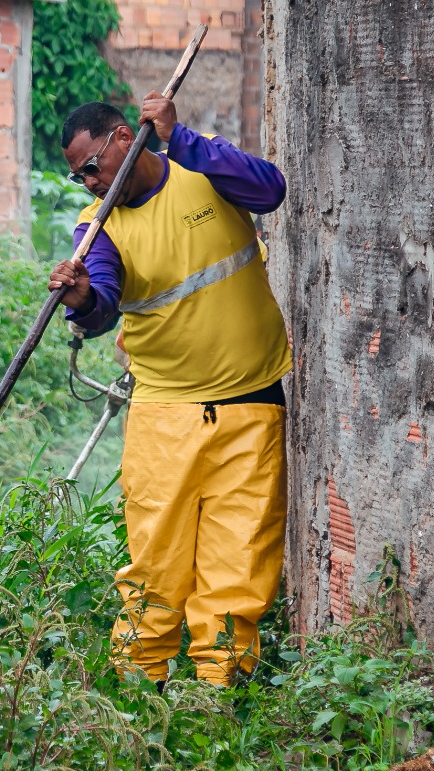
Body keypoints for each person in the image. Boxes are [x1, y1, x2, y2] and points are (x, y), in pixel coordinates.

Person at [49, 93, 291, 687]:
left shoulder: (200, 168)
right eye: (76, 175)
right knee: (155, 562)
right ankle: (139, 689)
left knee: (241, 558)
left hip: (250, 402)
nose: (86, 183)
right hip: (164, 416)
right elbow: (103, 295)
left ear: (124, 141)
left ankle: (220, 694)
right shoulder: (97, 228)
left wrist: (181, 138)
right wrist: (82, 300)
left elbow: (270, 191)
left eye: (91, 167)